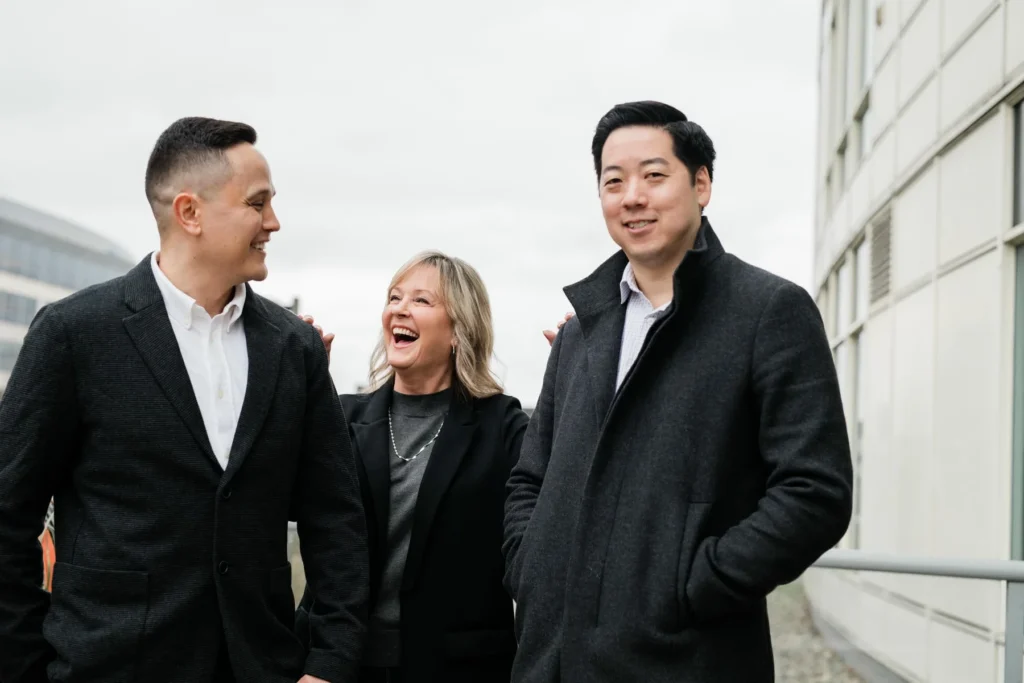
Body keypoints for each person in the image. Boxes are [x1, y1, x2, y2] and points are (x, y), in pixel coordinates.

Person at [0, 117, 369, 683]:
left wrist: (329, 662)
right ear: (190, 212)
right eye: (257, 203)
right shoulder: (73, 334)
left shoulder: (294, 347)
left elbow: (336, 518)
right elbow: (9, 515)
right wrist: (27, 668)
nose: (273, 222)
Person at [502, 100, 854, 682]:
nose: (632, 197)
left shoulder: (769, 312)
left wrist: (693, 584)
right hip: (552, 660)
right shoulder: (580, 334)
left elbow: (815, 493)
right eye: (613, 182)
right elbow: (529, 479)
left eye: (654, 175)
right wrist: (531, 565)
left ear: (702, 184)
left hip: (686, 660)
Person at [297, 251, 529, 683]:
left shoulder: (503, 426)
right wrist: (297, 387)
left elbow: (563, 494)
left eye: (421, 300)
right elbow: (276, 495)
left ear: (459, 330)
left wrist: (578, 378)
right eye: (394, 297)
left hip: (460, 669)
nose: (400, 309)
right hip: (339, 666)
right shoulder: (340, 416)